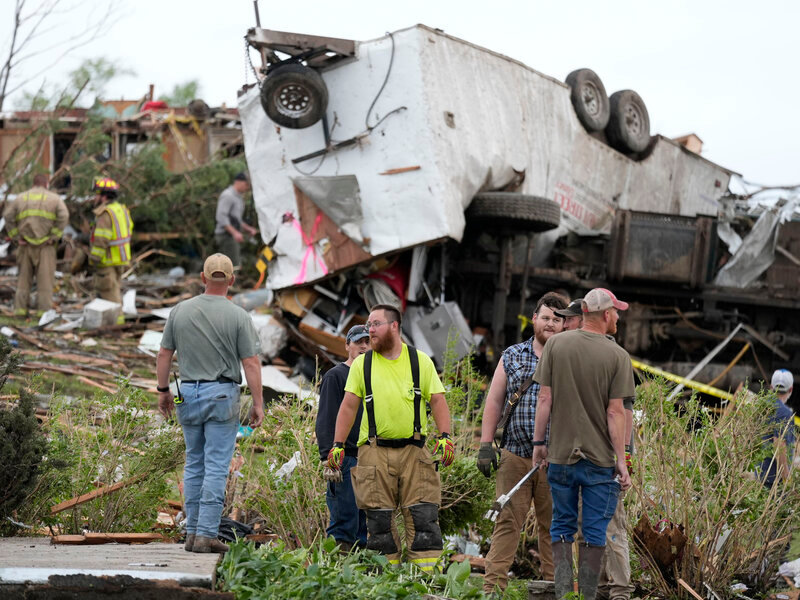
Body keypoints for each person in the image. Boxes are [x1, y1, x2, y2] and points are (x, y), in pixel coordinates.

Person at [328, 303, 454, 572]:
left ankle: (425, 582)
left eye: (375, 324)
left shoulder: (420, 361)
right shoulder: (363, 364)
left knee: (424, 522)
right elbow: (348, 406)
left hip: (415, 452)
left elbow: (438, 400)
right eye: (368, 325)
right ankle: (386, 583)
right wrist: (337, 444)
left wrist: (445, 437)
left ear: (394, 326)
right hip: (373, 452)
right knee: (379, 526)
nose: (369, 330)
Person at [156, 253, 265, 554]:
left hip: (186, 393)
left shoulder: (180, 310)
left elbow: (164, 354)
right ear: (231, 280)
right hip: (221, 395)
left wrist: (163, 390)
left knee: (194, 462)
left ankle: (191, 533)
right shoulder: (239, 316)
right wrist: (258, 402)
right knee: (217, 465)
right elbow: (251, 363)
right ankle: (205, 534)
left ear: (202, 278)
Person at [532, 287, 635, 600]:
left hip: (561, 458)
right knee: (593, 531)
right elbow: (616, 412)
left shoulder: (557, 346)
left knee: (561, 526)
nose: (617, 316)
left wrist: (539, 443)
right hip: (600, 462)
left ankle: (565, 594)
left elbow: (544, 398)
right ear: (605, 315)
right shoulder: (617, 355)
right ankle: (587, 596)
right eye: (616, 311)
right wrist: (622, 459)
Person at [478, 291, 568, 593]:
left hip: (556, 461)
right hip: (515, 456)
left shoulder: (570, 358)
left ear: (566, 324)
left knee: (555, 529)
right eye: (546, 317)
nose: (551, 324)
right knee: (506, 524)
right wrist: (485, 444)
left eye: (558, 319)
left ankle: (554, 591)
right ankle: (492, 590)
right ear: (534, 319)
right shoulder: (513, 355)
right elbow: (493, 402)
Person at [315, 324, 371, 550]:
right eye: (358, 342)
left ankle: (358, 575)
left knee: (363, 522)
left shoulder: (372, 377)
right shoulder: (336, 376)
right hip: (344, 457)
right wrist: (328, 456)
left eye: (368, 342)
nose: (364, 346)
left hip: (368, 457)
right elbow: (326, 418)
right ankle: (337, 569)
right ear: (347, 345)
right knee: (344, 519)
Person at [3, 174, 69, 317]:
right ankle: (43, 313)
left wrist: (15, 237)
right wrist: (53, 237)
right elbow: (64, 216)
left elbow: (7, 215)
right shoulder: (55, 199)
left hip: (25, 245)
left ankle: (20, 312)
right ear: (46, 184)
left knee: (23, 280)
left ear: (33, 184)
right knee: (45, 281)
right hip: (45, 246)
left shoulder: (21, 198)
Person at [88, 177, 132, 324]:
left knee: (110, 296)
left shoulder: (105, 214)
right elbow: (128, 231)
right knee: (115, 292)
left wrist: (93, 260)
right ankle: (111, 323)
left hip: (107, 262)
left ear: (104, 196)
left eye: (97, 194)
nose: (95, 198)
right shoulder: (121, 210)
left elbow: (101, 240)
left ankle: (117, 325)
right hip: (120, 260)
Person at [757, 369, 795, 487]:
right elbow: (779, 447)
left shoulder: (762, 406)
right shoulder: (784, 413)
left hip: (760, 473)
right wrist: (786, 479)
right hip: (775, 480)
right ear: (790, 389)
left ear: (772, 387)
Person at [215, 172, 258, 268]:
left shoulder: (238, 198)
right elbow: (221, 217)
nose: (247, 188)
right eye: (246, 184)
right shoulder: (228, 195)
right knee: (232, 266)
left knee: (234, 265)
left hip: (231, 236)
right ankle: (230, 283)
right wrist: (235, 233)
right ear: (239, 182)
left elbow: (236, 219)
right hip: (226, 236)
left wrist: (248, 229)